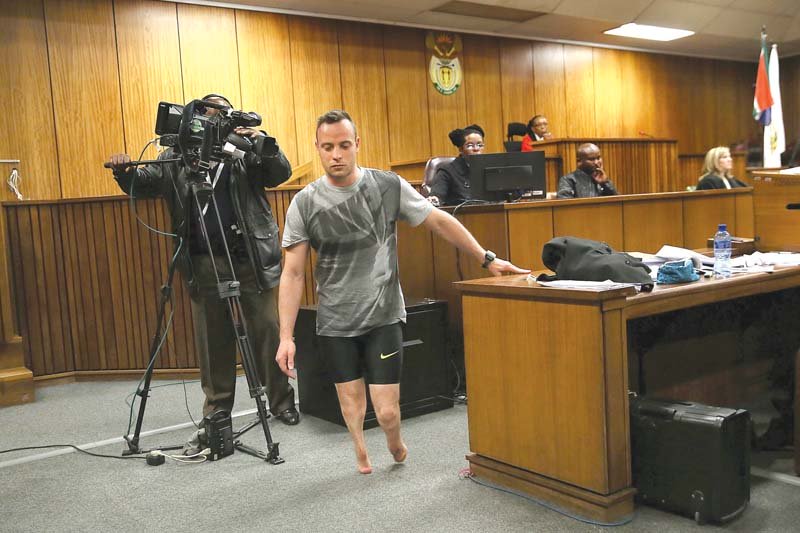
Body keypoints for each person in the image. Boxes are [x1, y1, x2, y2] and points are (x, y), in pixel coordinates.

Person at [276, 110, 529, 474]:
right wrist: (286, 336)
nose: (336, 155)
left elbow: (438, 221)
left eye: (344, 145)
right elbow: (293, 273)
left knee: (387, 410)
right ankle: (360, 450)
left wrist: (486, 258)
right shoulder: (305, 202)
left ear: (357, 145)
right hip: (335, 320)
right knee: (350, 403)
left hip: (383, 315)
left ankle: (394, 440)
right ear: (317, 148)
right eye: (328, 147)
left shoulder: (387, 186)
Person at [107, 94, 300, 453]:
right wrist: (124, 171)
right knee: (213, 340)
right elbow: (143, 184)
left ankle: (282, 401)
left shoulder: (241, 149)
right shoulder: (175, 156)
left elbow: (280, 172)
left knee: (267, 330)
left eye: (220, 112)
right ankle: (217, 413)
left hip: (249, 256)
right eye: (207, 111)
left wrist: (257, 141)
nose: (212, 118)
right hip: (204, 260)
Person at [427, 124, 485, 206]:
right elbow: (437, 194)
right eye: (470, 145)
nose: (476, 149)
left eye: (480, 145)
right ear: (461, 149)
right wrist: (434, 199)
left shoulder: (489, 168)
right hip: (460, 215)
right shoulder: (447, 171)